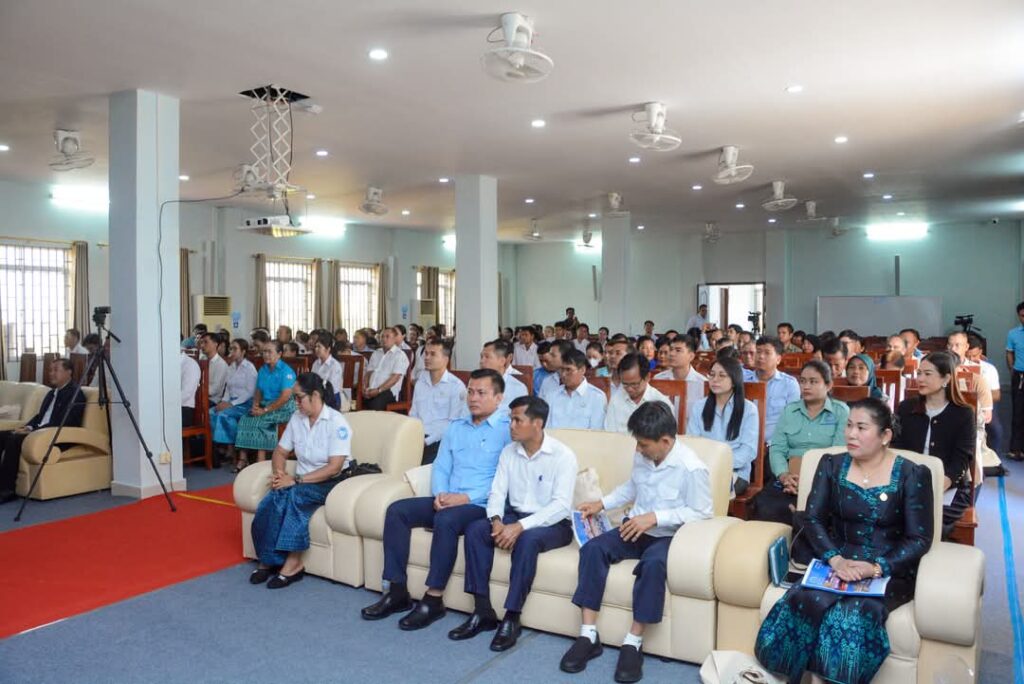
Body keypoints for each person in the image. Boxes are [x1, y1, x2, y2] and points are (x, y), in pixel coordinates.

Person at [755, 398, 934, 684]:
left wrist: (875, 567)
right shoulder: (831, 465)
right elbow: (812, 519)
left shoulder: (912, 474)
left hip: (886, 569)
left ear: (885, 435)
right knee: (803, 599)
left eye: (861, 428)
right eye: (849, 426)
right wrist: (835, 559)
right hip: (836, 561)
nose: (851, 434)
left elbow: (919, 538)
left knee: (851, 614)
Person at [561, 402, 713, 682]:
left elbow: (702, 512)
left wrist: (655, 517)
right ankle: (588, 635)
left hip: (668, 536)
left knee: (653, 565)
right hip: (634, 528)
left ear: (665, 441)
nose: (638, 449)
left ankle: (633, 642)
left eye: (643, 444)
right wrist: (601, 503)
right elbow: (632, 487)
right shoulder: (643, 455)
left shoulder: (692, 468)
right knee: (593, 549)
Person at [361, 369, 511, 628]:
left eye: (481, 393)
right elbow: (441, 465)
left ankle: (433, 598)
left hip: (481, 505)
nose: (473, 398)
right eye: (470, 392)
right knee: (397, 510)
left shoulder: (508, 431)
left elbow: (505, 478)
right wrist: (440, 494)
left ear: (499, 398)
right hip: (448, 500)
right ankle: (396, 590)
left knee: (447, 520)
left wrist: (464, 497)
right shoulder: (456, 426)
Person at [452, 396, 577, 651]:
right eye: (511, 419)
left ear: (537, 423)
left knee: (527, 540)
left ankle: (512, 617)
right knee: (476, 530)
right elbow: (497, 493)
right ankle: (482, 611)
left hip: (553, 523)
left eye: (517, 420)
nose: (511, 425)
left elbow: (561, 506)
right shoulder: (509, 452)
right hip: (514, 515)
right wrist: (496, 520)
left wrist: (520, 527)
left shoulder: (563, 455)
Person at [248, 373, 351, 589]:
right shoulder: (297, 418)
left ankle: (293, 563)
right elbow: (280, 452)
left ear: (315, 395)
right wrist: (279, 475)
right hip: (302, 480)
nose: (295, 402)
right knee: (274, 496)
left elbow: (334, 467)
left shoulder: (336, 422)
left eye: (299, 397)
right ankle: (268, 559)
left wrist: (295, 480)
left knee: (295, 495)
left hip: (331, 482)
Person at [753, 360, 849, 525]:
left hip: (825, 480)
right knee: (764, 505)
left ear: (828, 385)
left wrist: (809, 482)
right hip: (790, 478)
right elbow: (777, 449)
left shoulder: (840, 411)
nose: (806, 386)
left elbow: (838, 453)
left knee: (819, 509)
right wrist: (784, 475)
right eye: (803, 381)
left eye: (813, 381)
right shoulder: (790, 411)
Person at [893, 352, 976, 536]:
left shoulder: (963, 414)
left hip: (948, 486)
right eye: (919, 373)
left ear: (946, 378)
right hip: (908, 483)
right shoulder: (907, 408)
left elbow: (960, 461)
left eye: (927, 374)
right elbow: (897, 449)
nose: (920, 379)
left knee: (930, 518)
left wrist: (937, 487)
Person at [0, 359, 85, 503]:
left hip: (57, 436)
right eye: (50, 370)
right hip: (39, 432)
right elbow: (40, 416)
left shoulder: (75, 394)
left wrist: (34, 432)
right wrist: (28, 427)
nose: (51, 373)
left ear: (68, 372)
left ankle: (8, 490)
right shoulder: (51, 393)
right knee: (3, 436)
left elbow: (64, 422)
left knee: (15, 439)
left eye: (56, 370)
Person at [687, 357, 759, 495]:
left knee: (707, 490)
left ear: (734, 380)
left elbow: (748, 450)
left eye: (722, 375)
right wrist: (706, 465)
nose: (715, 380)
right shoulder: (699, 407)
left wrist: (719, 464)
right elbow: (692, 444)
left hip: (735, 472)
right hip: (702, 470)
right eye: (712, 375)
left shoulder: (749, 409)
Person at [233, 341, 297, 472]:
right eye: (264, 352)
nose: (266, 355)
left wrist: (265, 410)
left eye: (269, 352)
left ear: (279, 354)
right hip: (266, 404)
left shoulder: (286, 371)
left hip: (284, 406)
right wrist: (255, 405)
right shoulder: (263, 370)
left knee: (261, 421)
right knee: (245, 418)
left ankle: (260, 461)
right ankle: (243, 459)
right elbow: (258, 391)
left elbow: (285, 396)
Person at [410, 339, 467, 465]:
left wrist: (427, 441)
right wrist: (412, 434)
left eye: (433, 354)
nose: (427, 358)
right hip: (417, 435)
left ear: (446, 359)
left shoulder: (455, 386)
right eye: (426, 353)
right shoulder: (421, 382)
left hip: (440, 440)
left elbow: (452, 424)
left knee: (424, 469)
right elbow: (413, 413)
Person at [211, 338, 259, 467]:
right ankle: (223, 448)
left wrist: (231, 404)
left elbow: (250, 392)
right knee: (212, 412)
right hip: (231, 401)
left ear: (243, 351)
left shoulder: (249, 368)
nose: (231, 351)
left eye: (235, 349)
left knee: (224, 415)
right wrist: (223, 402)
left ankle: (233, 449)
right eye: (230, 348)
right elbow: (228, 388)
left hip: (245, 403)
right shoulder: (231, 367)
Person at [604, 353, 671, 433]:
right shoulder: (615, 401)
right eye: (625, 384)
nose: (629, 389)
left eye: (634, 384)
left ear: (647, 377)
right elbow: (609, 433)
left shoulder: (661, 403)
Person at [546, 349, 607, 429]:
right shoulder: (552, 396)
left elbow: (596, 431)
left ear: (582, 370)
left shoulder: (597, 397)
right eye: (562, 370)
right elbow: (547, 428)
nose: (563, 374)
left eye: (568, 370)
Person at [755, 336, 802, 442]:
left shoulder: (789, 384)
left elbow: (792, 421)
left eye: (767, 353)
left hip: (774, 443)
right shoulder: (744, 380)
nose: (761, 356)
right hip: (744, 441)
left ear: (778, 359)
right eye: (758, 352)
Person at [654, 334, 708, 408]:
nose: (671, 354)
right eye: (671, 349)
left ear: (691, 356)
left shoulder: (702, 383)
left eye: (678, 350)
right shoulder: (658, 379)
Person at [363, 327, 410, 410]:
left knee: (375, 405)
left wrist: (378, 390)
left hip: (387, 391)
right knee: (356, 400)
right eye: (382, 336)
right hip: (371, 389)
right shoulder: (376, 353)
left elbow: (395, 378)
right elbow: (368, 373)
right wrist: (364, 386)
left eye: (387, 336)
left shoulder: (400, 355)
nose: (384, 339)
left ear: (395, 339)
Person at [480, 339, 528, 411]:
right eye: (481, 357)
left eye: (487, 357)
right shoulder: (475, 384)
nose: (481, 361)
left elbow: (520, 415)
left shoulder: (517, 388)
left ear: (502, 361)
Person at [311, 333, 345, 410]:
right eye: (316, 346)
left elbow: (332, 388)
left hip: (332, 398)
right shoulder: (316, 363)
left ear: (328, 349)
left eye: (319, 347)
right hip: (317, 396)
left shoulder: (335, 365)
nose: (316, 349)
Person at [1008, 301, 1024, 460]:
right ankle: (1016, 449)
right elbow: (1009, 352)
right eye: (1022, 315)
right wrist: (1012, 369)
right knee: (1018, 413)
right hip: (1019, 376)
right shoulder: (1013, 334)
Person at [198, 332, 228, 406]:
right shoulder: (202, 359)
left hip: (212, 400)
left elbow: (214, 390)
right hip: (199, 395)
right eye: (201, 342)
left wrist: (195, 391)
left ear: (215, 344)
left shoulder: (221, 364)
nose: (202, 345)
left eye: (206, 342)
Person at [180, 352, 201, 428]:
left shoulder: (190, 365)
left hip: (183, 409)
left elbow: (186, 394)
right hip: (171, 406)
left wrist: (167, 405)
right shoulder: (168, 364)